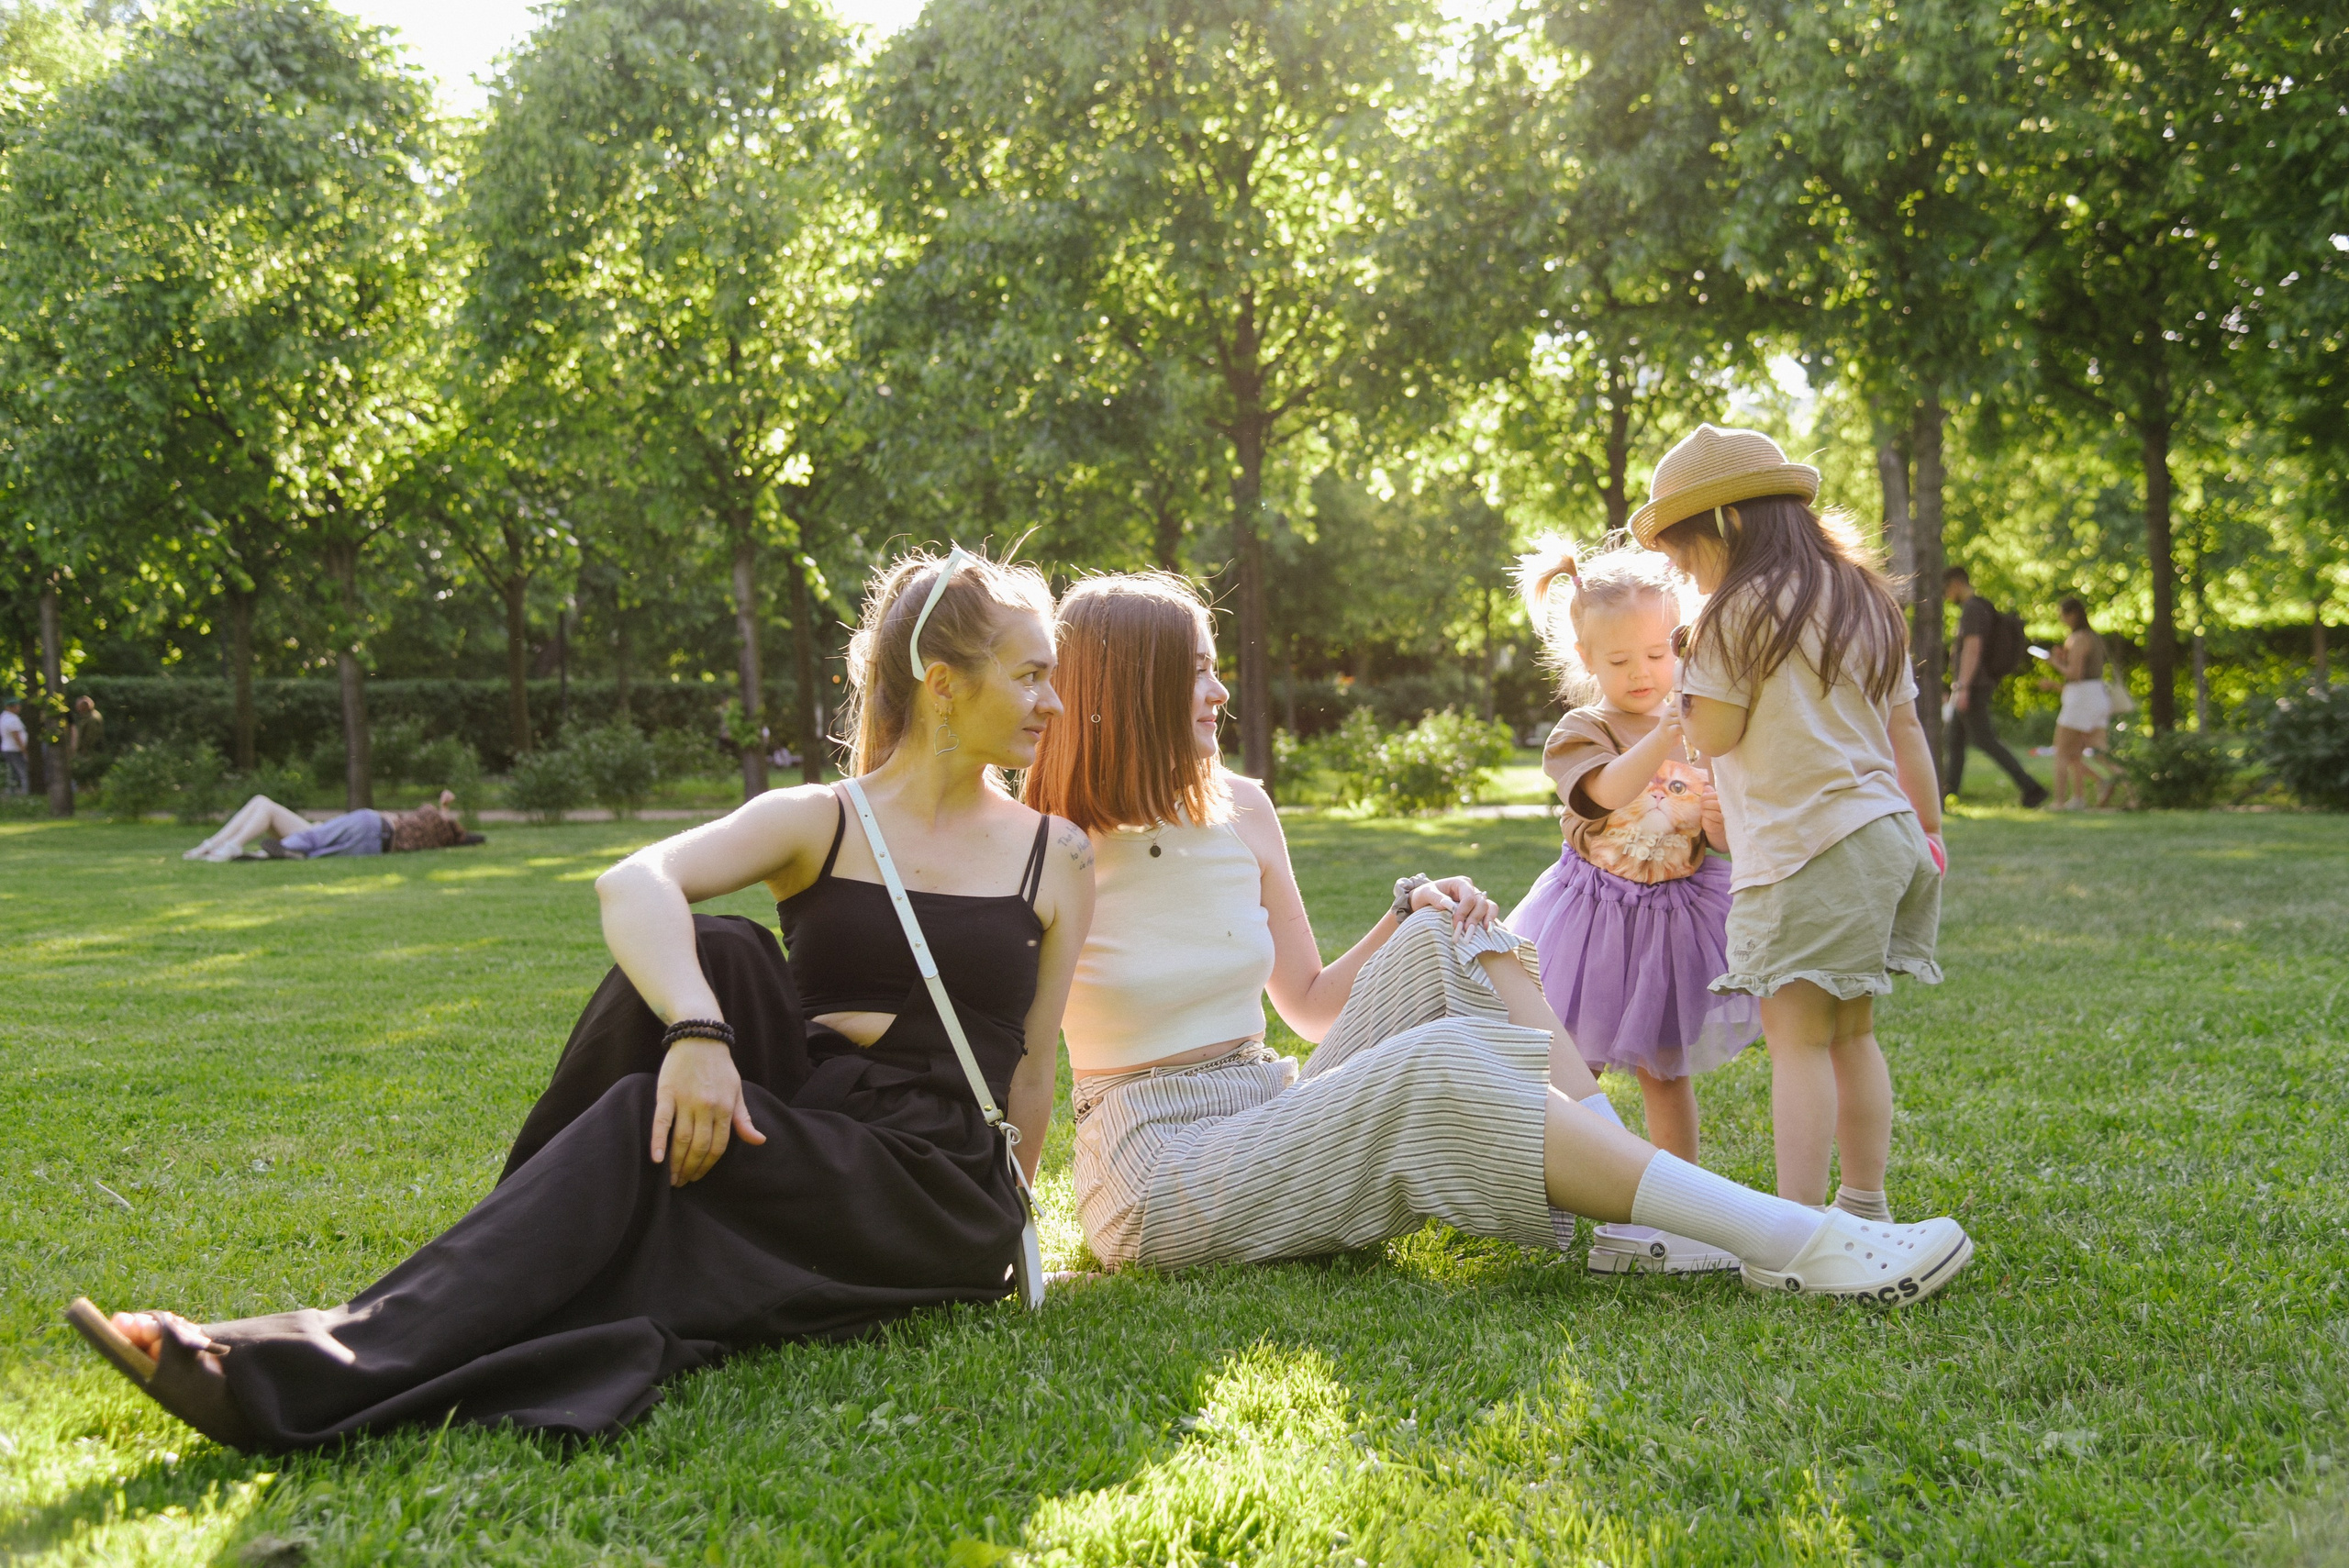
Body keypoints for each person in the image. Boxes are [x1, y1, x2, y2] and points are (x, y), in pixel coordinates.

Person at [68, 547, 1094, 1451]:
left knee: (633, 1124)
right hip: (816, 1122)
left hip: (932, 1179)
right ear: (943, 684)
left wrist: (1011, 1226)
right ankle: (518, 1245)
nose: (1052, 702)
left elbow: (1033, 1061)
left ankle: (289, 1369)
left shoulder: (1055, 854)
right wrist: (696, 1031)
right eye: (1032, 675)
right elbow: (632, 881)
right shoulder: (819, 819)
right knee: (717, 949)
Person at [1024, 570, 1971, 1306]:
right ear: (1131, 685)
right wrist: (1011, 1236)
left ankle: (1640, 1225)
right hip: (1159, 1166)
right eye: (1195, 670)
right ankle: (1799, 1239)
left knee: (1456, 931)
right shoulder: (1050, 847)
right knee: (1438, 1061)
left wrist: (1409, 913)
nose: (1220, 688)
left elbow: (1308, 1007)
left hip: (1266, 1103)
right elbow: (1017, 1063)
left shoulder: (1242, 807)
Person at [1639, 425, 1945, 1222]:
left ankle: (1800, 1227)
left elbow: (1715, 734)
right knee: (1852, 1032)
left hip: (1807, 849)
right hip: (1887, 835)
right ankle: (1864, 1205)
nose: (1687, 575)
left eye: (1686, 558)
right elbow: (1905, 727)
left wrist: (1687, 680)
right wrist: (1932, 827)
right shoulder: (1865, 595)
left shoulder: (1733, 612)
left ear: (1730, 522)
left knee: (1798, 1040)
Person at [1505, 541, 1763, 1274]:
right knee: (1567, 1063)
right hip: (1590, 921)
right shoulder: (1582, 731)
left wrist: (1718, 817)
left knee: (1666, 1067)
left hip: (1672, 923)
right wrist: (1664, 737)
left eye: (1658, 653)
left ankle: (1685, 1205)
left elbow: (1717, 840)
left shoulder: (1707, 734)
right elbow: (1605, 794)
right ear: (1587, 657)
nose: (1643, 672)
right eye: (1620, 660)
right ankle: (1548, 1189)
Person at [1943, 565, 2049, 807]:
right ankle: (1950, 792)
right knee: (1954, 739)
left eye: (1946, 589)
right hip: (1974, 684)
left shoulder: (1972, 609)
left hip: (1973, 685)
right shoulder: (1982, 606)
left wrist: (1963, 687)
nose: (1946, 596)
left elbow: (1973, 648)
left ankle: (2032, 788)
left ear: (1956, 584)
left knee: (1984, 740)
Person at [182, 790, 481, 862]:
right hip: (359, 832)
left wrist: (444, 807)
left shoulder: (439, 827)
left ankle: (234, 847)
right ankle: (213, 845)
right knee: (262, 803)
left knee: (272, 812)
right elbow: (444, 821)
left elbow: (447, 823)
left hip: (369, 826)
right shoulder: (429, 829)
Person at [2043, 596, 2119, 810]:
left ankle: (2059, 801)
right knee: (2092, 752)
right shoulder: (2093, 637)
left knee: (2061, 752)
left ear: (2073, 614)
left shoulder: (2078, 638)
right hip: (2097, 697)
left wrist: (2055, 663)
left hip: (2081, 699)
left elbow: (2075, 674)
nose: (2062, 619)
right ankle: (2126, 789)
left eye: (2063, 615)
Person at [1, 695, 27, 795]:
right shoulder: (12, 719)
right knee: (23, 772)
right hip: (14, 749)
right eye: (17, 706)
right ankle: (26, 793)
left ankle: (12, 792)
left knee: (12, 772)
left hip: (7, 748)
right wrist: (24, 750)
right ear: (11, 707)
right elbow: (16, 736)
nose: (19, 708)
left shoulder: (3, 717)